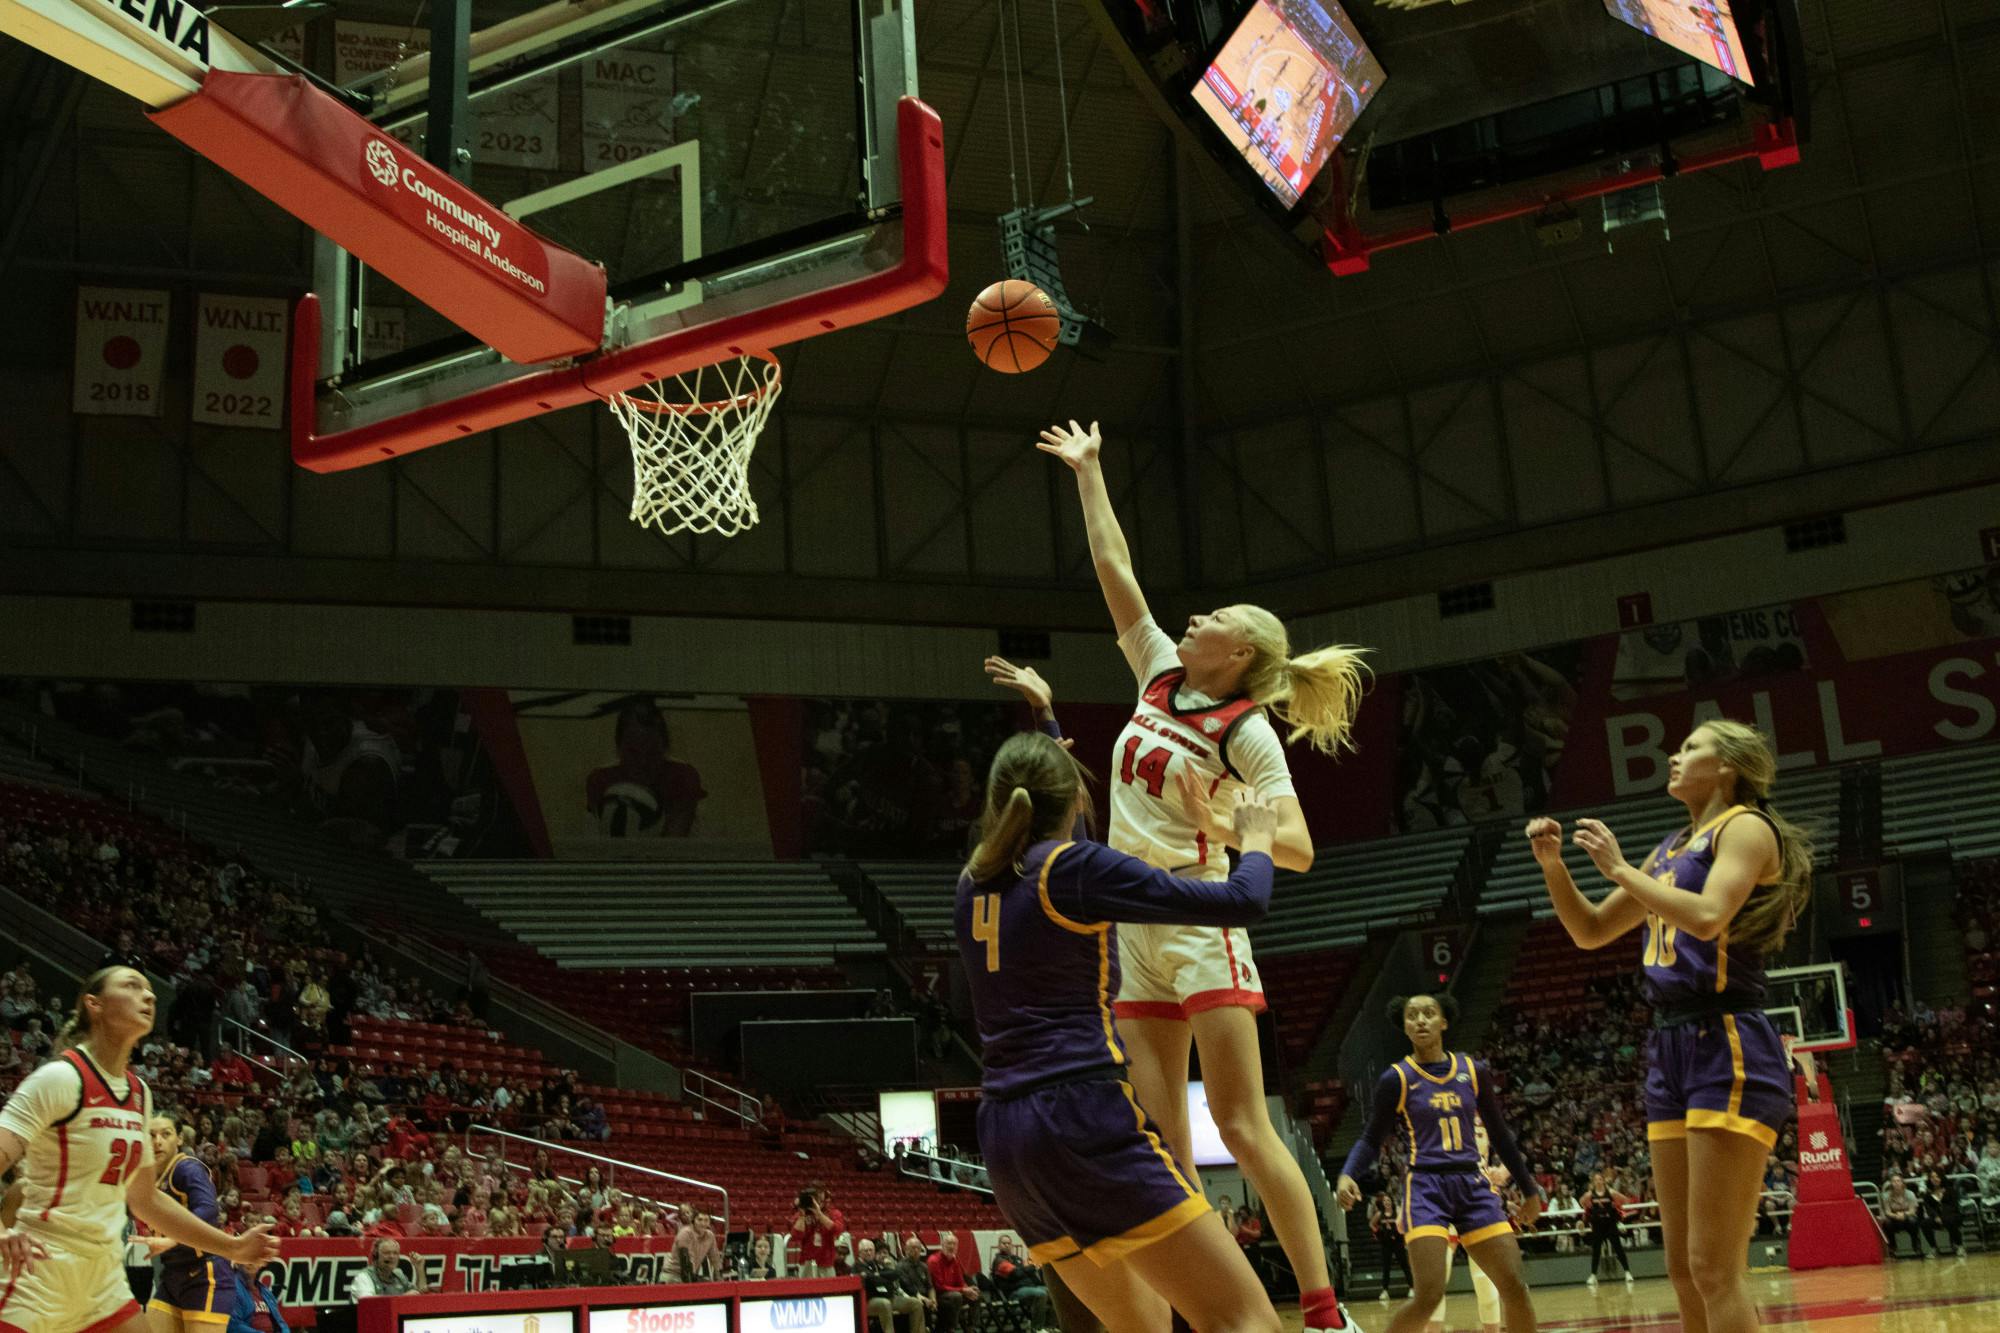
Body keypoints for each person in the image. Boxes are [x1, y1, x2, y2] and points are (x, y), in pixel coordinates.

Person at [1036, 419, 1369, 1333]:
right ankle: (1196, 1312)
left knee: (1244, 1124)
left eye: (1210, 621)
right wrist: (1090, 473)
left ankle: (1321, 1305)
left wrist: (1218, 816)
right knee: (1165, 1145)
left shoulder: (1246, 730)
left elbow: (1295, 846)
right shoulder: (1154, 673)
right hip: (1131, 927)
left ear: (1240, 655)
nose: (1191, 620)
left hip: (1199, 917)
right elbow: (1117, 575)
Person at [955, 726, 1288, 1333]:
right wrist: (1256, 837)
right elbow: (1244, 900)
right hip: (1081, 1114)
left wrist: (1049, 728)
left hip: (1005, 1135)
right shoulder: (1075, 871)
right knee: (1247, 1320)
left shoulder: (972, 881)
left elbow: (1063, 848)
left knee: (1143, 1327)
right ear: (1077, 800)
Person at [1529, 720, 1812, 1333]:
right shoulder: (1670, 846)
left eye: (1690, 748)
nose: (1673, 757)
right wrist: (1554, 866)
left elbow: (1709, 917)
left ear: (1729, 766)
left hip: (1729, 1040)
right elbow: (1591, 932)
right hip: (1670, 1045)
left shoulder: (1746, 827)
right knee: (1683, 1268)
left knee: (1714, 1267)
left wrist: (1620, 870)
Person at [0, 967, 279, 1333]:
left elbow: (146, 1200)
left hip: (103, 1281)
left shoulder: (138, 1094)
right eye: (131, 986)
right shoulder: (60, 1078)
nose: (148, 996)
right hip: (41, 1274)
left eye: (149, 989)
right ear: (94, 1004)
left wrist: (233, 1248)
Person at [1336, 995, 1540, 1333]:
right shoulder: (1397, 1078)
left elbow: (1501, 1135)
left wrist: (1529, 1189)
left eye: (1428, 1014)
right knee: (1429, 1295)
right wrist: (1347, 1174)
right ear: (1404, 1026)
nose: (1420, 1020)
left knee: (1515, 1287)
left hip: (1473, 1184)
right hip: (1426, 1187)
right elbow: (1372, 1138)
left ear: (1444, 1021)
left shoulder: (1473, 1071)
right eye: (1412, 1015)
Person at [146, 1113, 235, 1333]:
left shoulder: (186, 1169)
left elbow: (208, 1210)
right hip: (173, 1275)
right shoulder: (146, 1179)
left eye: (166, 1134)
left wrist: (173, 1240)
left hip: (205, 1273)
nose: (157, 1141)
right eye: (151, 1135)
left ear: (179, 1139)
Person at [858, 1239, 924, 1333]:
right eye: (866, 1250)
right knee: (885, 1304)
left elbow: (895, 1273)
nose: (869, 1253)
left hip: (888, 1297)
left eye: (871, 1250)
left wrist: (878, 1275)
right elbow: (872, 1280)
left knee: (916, 1303)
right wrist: (881, 1278)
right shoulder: (858, 1266)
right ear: (860, 1252)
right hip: (869, 1301)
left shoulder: (875, 1264)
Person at [1578, 1173, 1633, 1287]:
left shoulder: (1611, 1192)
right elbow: (1581, 1201)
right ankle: (1593, 1275)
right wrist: (1589, 1207)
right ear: (1593, 1182)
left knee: (1618, 1248)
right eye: (1596, 1180)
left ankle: (1627, 1272)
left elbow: (1625, 1200)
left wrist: (1616, 1205)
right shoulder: (1590, 1195)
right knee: (1596, 1250)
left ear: (1603, 1181)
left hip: (1610, 1224)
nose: (1598, 1181)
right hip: (1597, 1225)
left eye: (1600, 1179)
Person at [348, 1237, 432, 1300]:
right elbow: (370, 1305)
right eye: (386, 1253)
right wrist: (402, 1298)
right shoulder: (364, 1277)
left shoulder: (399, 1275)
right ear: (376, 1256)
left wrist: (420, 1269)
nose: (392, 1256)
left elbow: (419, 1295)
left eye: (395, 1253)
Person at [1917, 1168, 1963, 1258]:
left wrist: (1943, 1216)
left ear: (1941, 1177)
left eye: (1937, 1176)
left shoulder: (1951, 1190)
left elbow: (1954, 1206)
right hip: (1937, 1218)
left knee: (1950, 1220)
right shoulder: (1927, 1195)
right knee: (1924, 1224)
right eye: (1932, 1177)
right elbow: (1929, 1208)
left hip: (1952, 1215)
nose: (1935, 1179)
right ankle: (1934, 1248)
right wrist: (1936, 1216)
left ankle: (1959, 1246)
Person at [1880, 1176, 1926, 1258]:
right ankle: (1893, 1246)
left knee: (1913, 1221)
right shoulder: (1885, 1196)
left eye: (1898, 1181)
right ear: (1891, 1184)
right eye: (1894, 1181)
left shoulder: (1910, 1194)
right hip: (1894, 1218)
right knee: (1886, 1223)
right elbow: (1887, 1211)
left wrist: (1903, 1214)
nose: (1896, 1183)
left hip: (1908, 1217)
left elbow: (1913, 1210)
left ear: (1902, 1183)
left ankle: (1916, 1245)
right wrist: (1896, 1215)